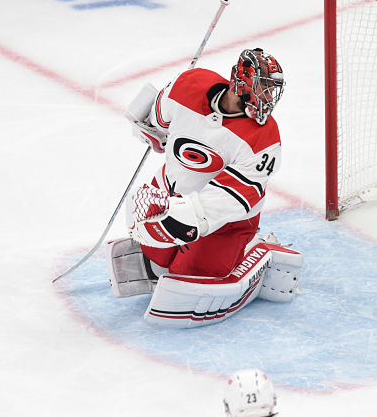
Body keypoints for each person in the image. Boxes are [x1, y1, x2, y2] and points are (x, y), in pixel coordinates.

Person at [108, 48, 304, 327]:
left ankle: (253, 247)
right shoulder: (188, 85)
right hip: (170, 193)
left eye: (271, 90)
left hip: (227, 221)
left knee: (187, 276)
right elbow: (159, 120)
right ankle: (176, 247)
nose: (268, 98)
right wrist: (149, 130)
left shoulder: (265, 139)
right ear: (240, 83)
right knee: (156, 264)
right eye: (263, 88)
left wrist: (183, 216)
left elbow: (234, 198)